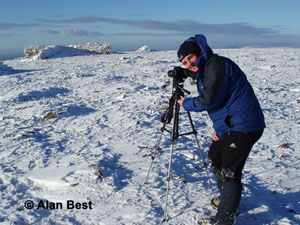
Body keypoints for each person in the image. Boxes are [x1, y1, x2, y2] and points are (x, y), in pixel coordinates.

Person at [176, 34, 265, 225]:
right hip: (232, 123)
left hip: (245, 125)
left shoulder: (216, 65)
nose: (189, 64)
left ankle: (224, 219)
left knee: (230, 171)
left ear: (199, 52)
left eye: (190, 58)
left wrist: (186, 103)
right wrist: (220, 129)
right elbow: (222, 104)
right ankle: (228, 201)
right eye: (185, 63)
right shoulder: (206, 70)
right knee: (215, 156)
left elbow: (210, 100)